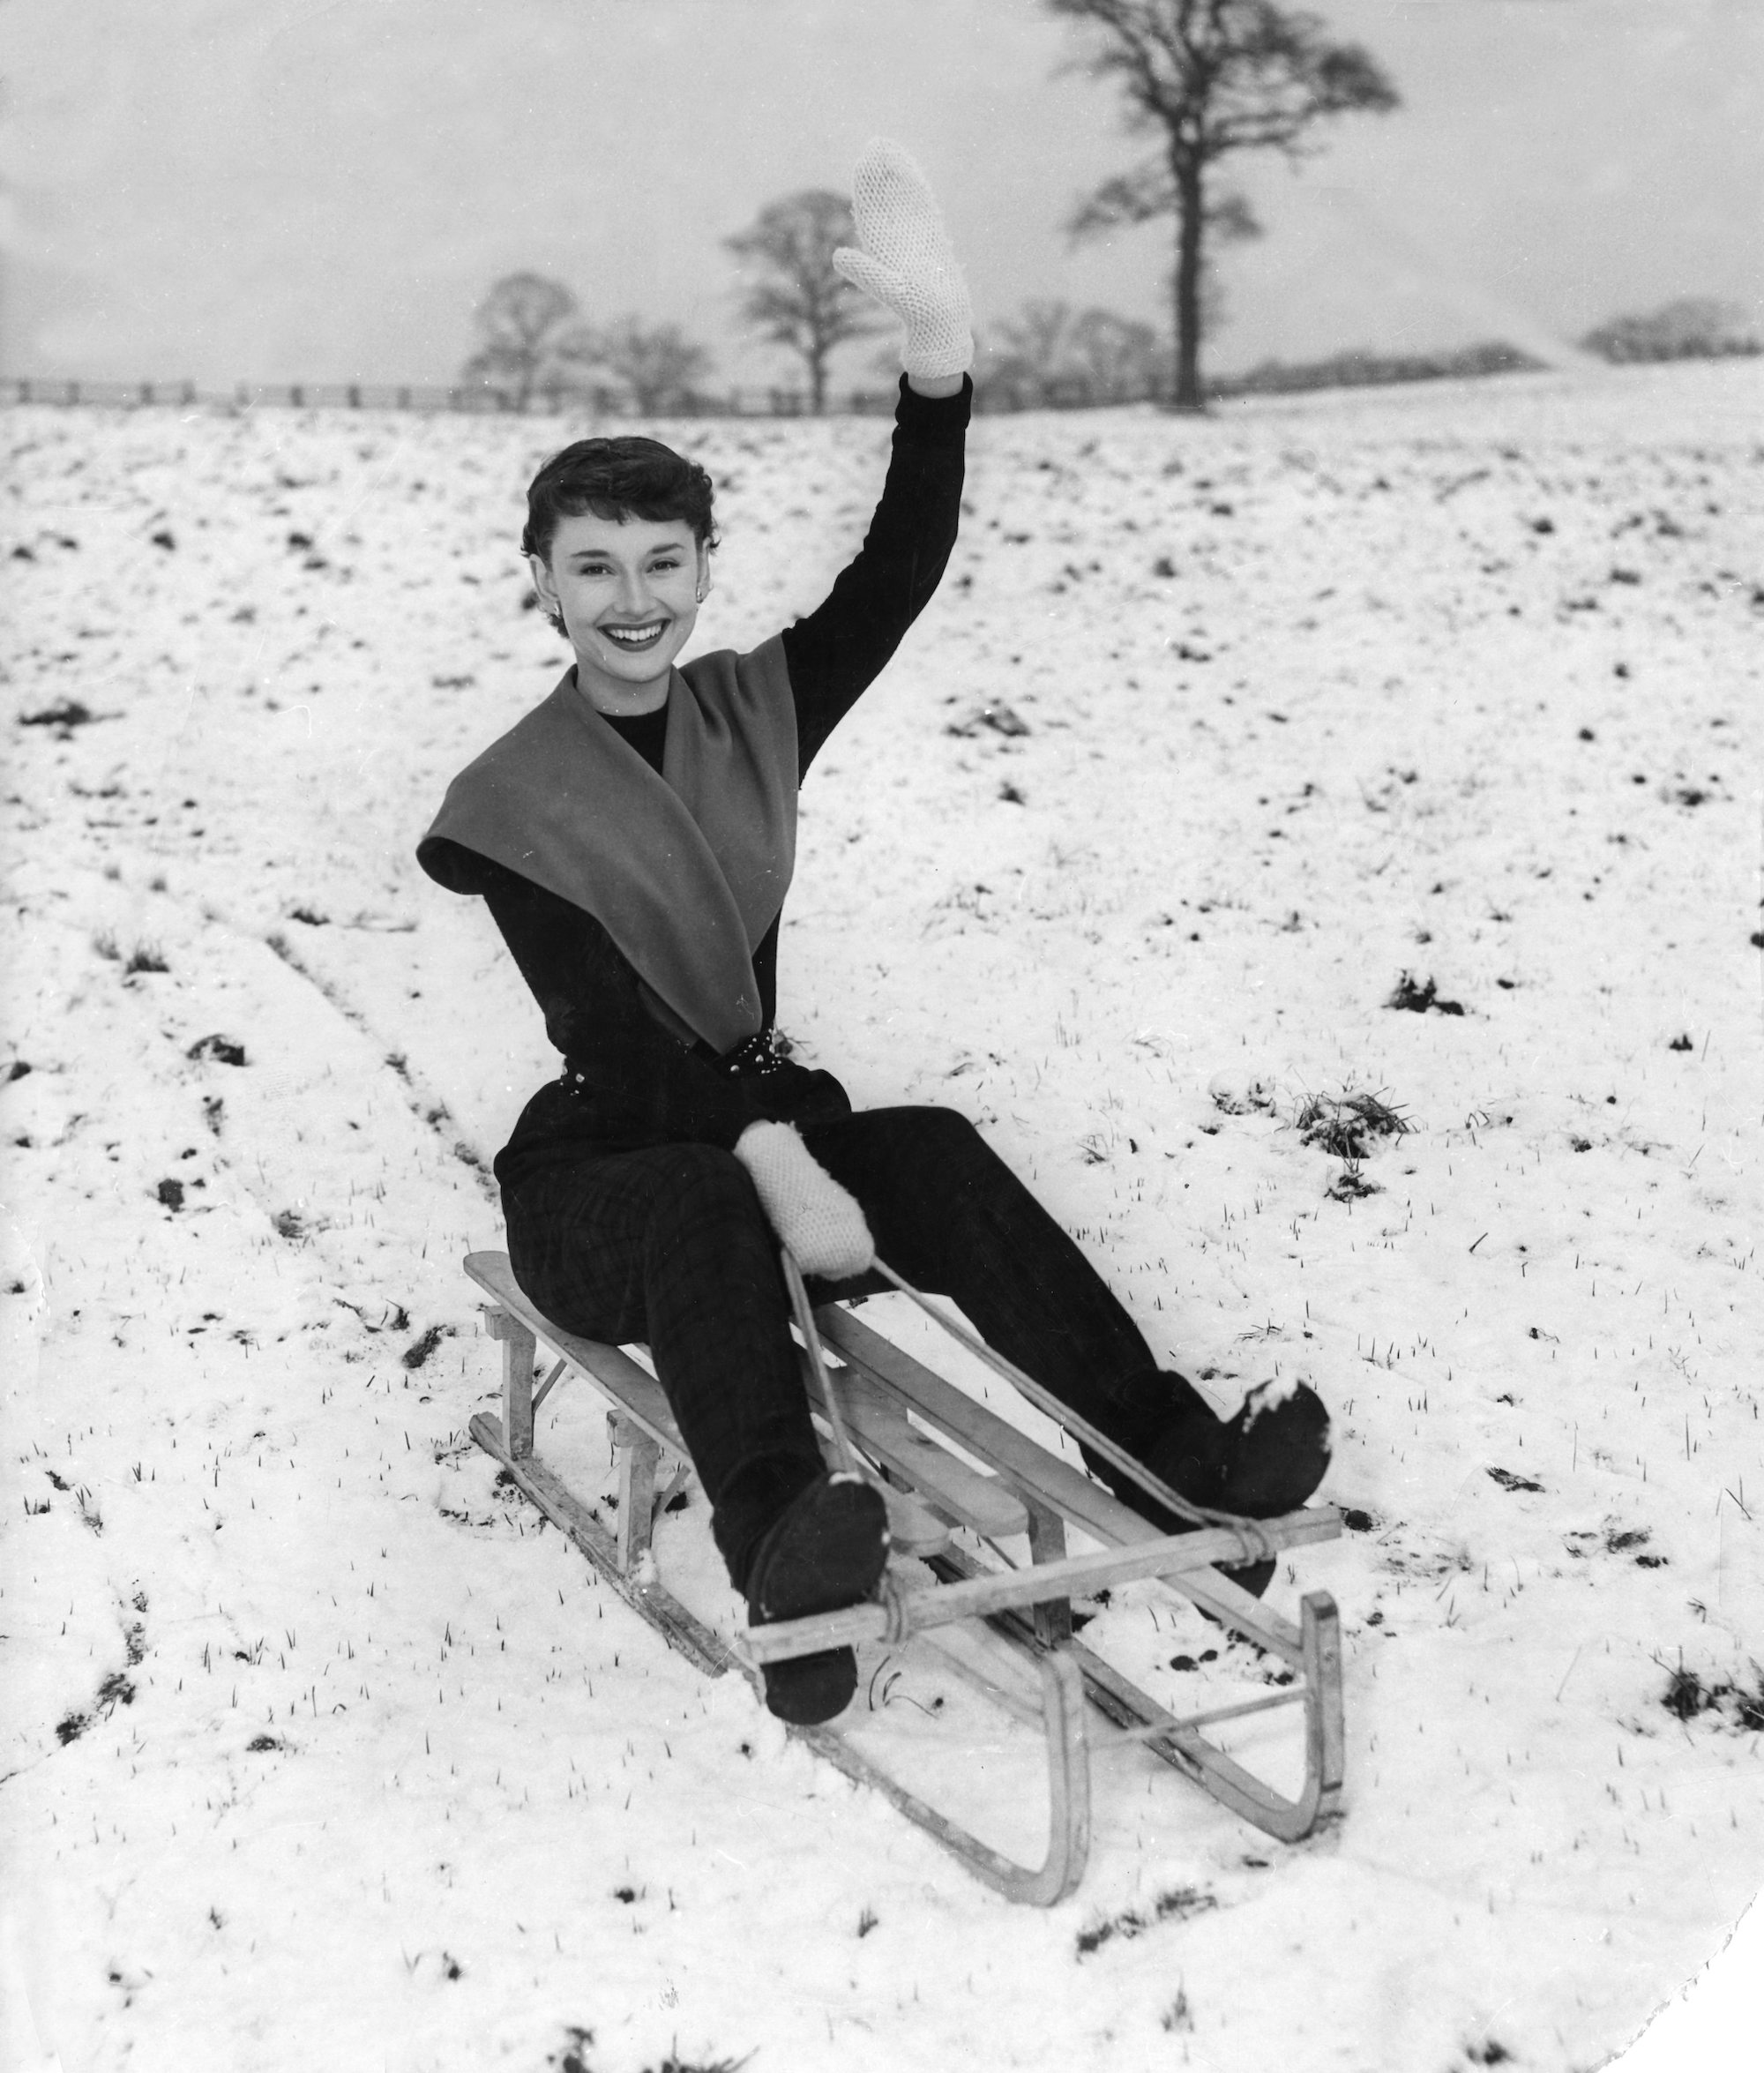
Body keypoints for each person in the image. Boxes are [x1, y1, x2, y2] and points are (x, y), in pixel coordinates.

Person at [418, 141, 1330, 1727]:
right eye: (595, 570)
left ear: (701, 568)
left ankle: (1176, 1460)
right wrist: (776, 1154)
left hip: (754, 1128)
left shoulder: (753, 709)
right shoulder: (511, 799)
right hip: (609, 1180)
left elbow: (897, 570)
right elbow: (616, 1054)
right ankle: (788, 1547)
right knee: (712, 1193)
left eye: (662, 562)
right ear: (544, 590)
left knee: (945, 1148)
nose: (634, 598)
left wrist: (937, 369)